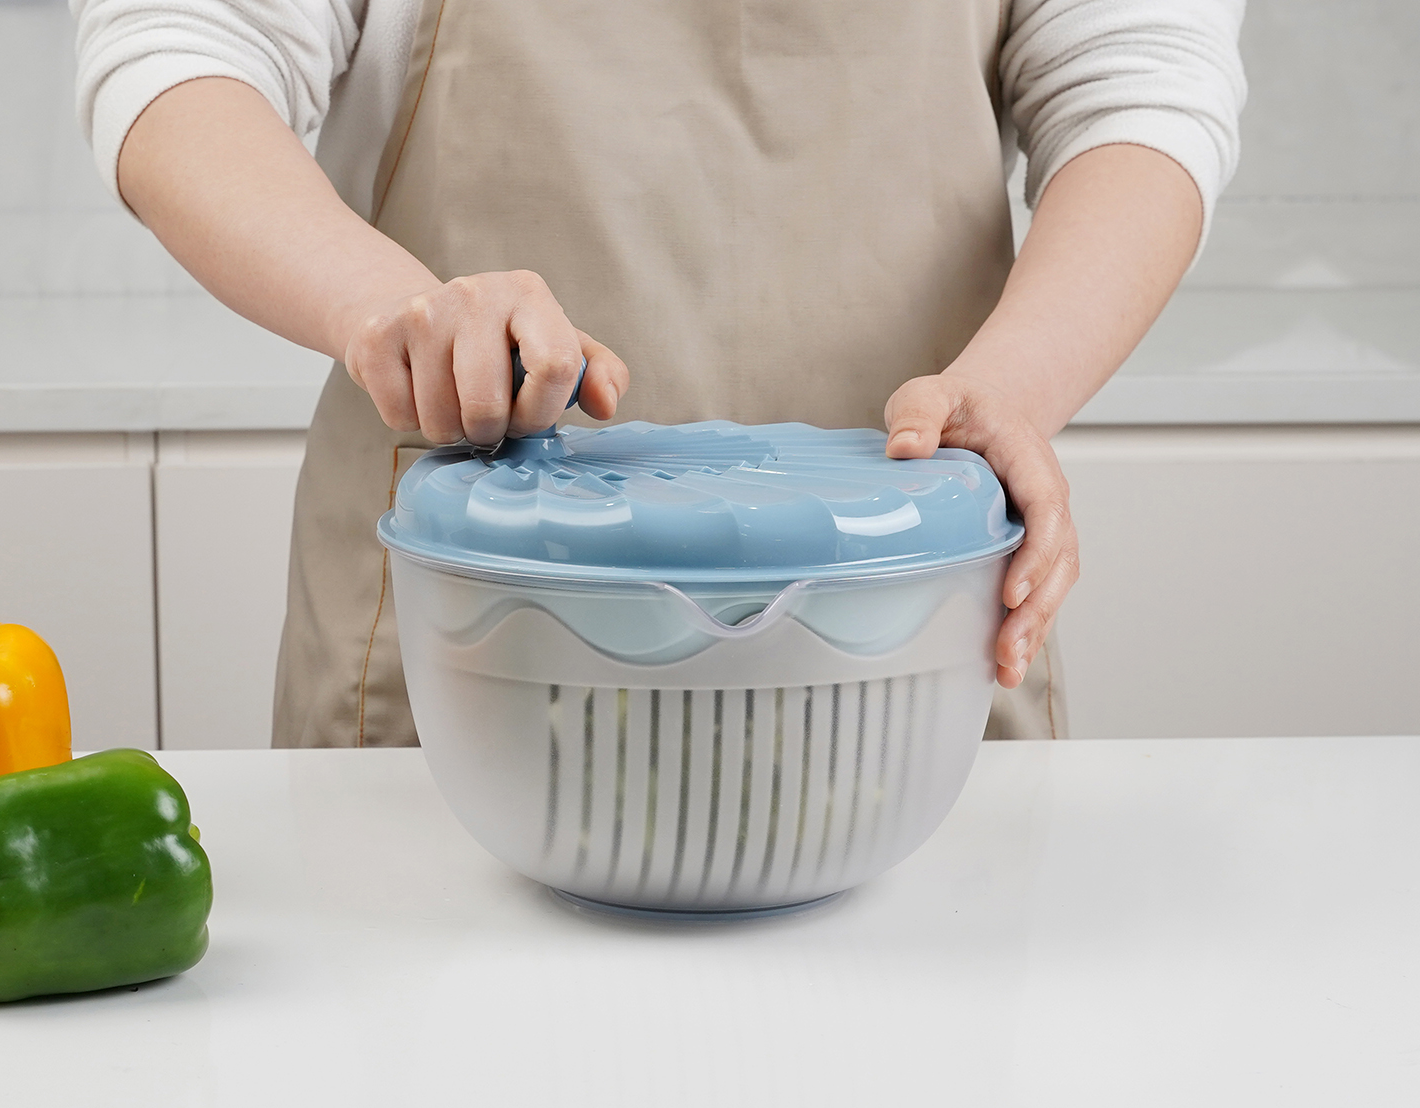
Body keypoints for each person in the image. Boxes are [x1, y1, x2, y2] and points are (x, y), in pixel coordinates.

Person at [74, 0, 1245, 746]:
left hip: (903, 632)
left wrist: (1018, 387)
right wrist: (389, 308)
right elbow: (180, 45)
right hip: (482, 653)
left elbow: (1141, 84)